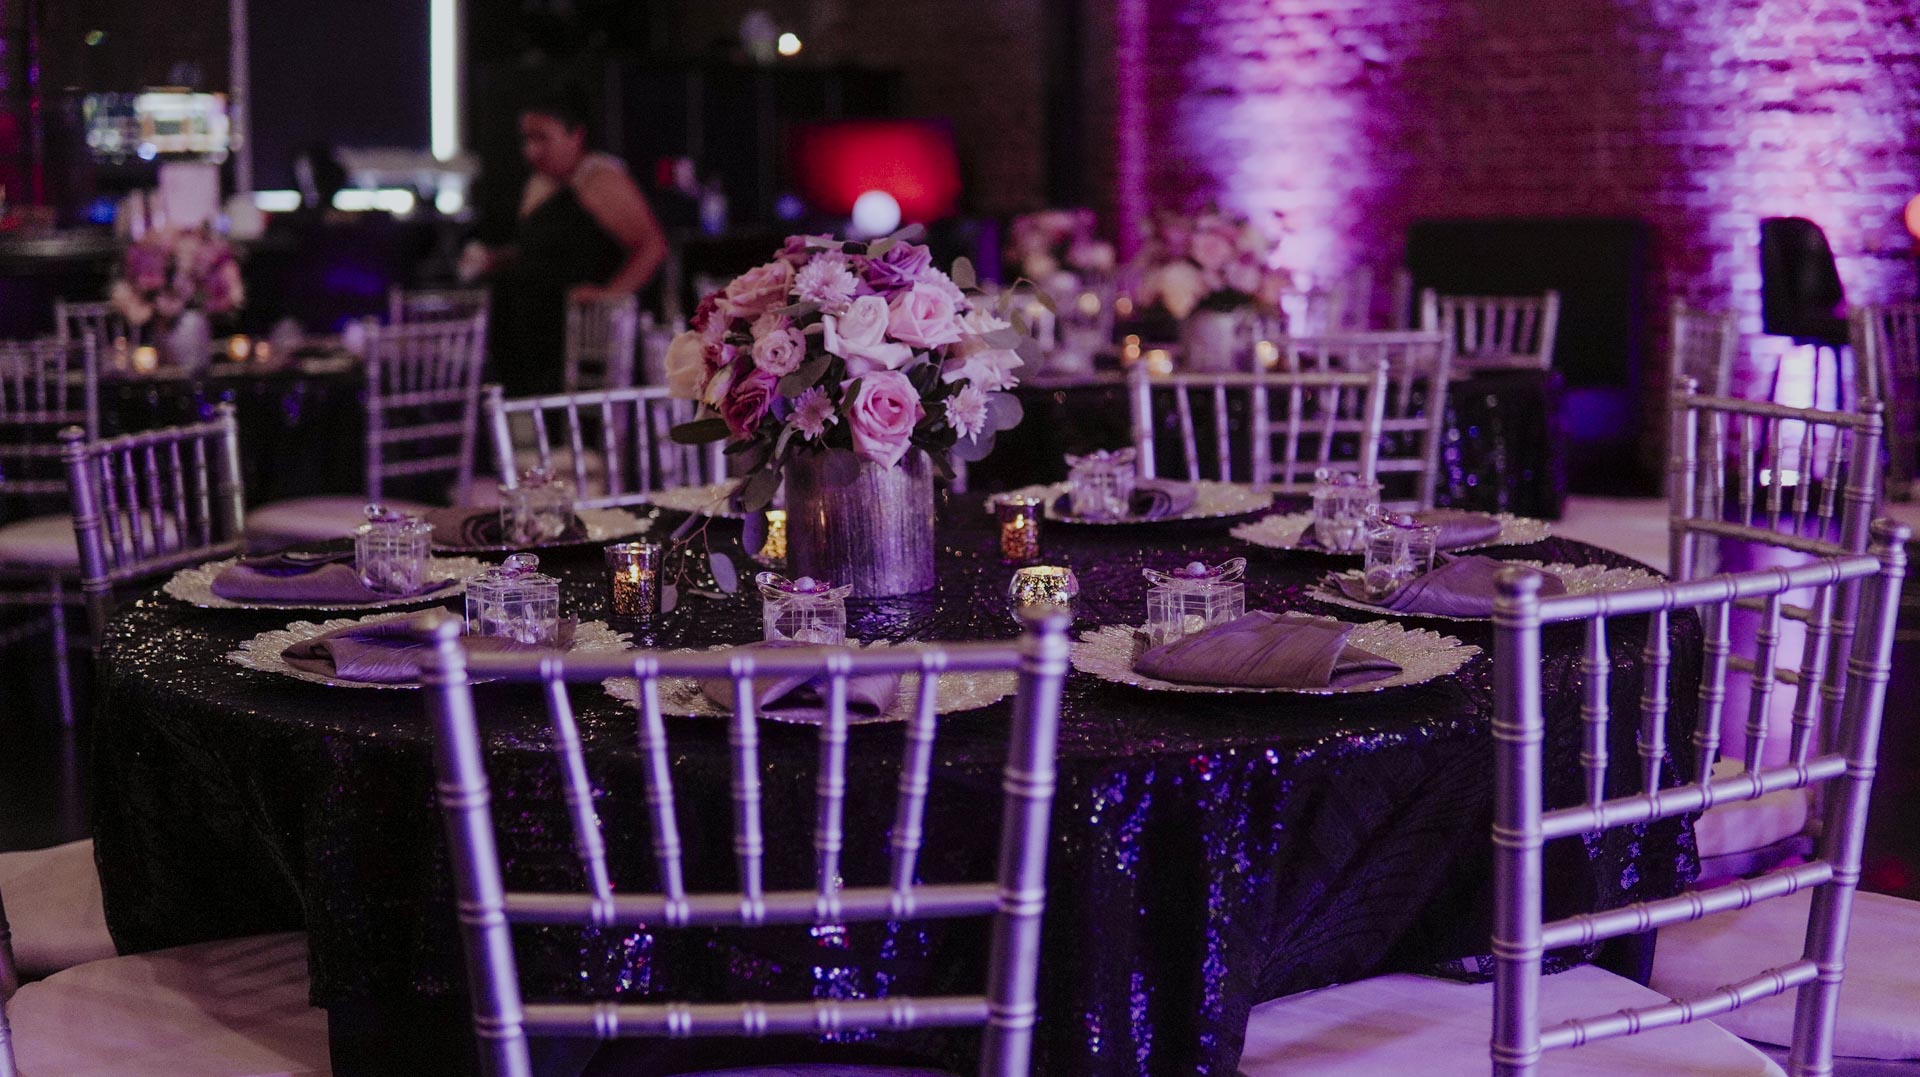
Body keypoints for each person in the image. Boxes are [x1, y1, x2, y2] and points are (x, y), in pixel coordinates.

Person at [473, 84, 668, 396]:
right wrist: (496, 259)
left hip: (576, 342)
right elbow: (542, 251)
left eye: (542, 138)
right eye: (526, 139)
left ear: (575, 135)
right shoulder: (541, 182)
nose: (531, 151)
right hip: (531, 337)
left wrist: (610, 295)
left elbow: (652, 246)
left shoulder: (599, 178)